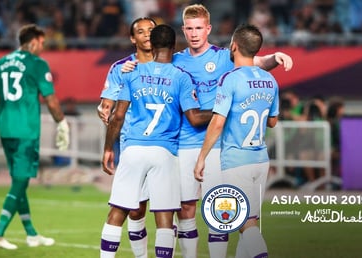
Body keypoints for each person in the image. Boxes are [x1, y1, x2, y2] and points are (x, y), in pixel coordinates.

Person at [122, 4, 292, 258]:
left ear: (208, 29)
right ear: (183, 29)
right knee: (186, 210)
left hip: (216, 148)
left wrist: (275, 57)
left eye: (199, 28)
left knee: (219, 210)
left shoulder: (223, 57)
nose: (194, 33)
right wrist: (130, 67)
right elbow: (150, 69)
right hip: (184, 145)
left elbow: (255, 61)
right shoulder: (176, 60)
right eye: (189, 28)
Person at [100, 24, 212, 258]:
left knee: (118, 212)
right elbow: (194, 118)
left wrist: (109, 148)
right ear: (174, 47)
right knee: (164, 217)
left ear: (153, 43)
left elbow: (117, 116)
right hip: (164, 152)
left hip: (133, 148)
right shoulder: (181, 77)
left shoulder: (132, 72)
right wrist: (221, 110)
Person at [0, 24, 70, 250]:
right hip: (26, 131)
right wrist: (62, 123)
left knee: (19, 182)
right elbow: (51, 99)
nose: (43, 48)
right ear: (34, 41)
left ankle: (31, 234)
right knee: (20, 182)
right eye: (42, 43)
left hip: (6, 130)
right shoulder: (37, 64)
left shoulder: (0, 63)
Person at [194, 24, 279, 258]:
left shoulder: (229, 79)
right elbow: (272, 121)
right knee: (250, 222)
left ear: (234, 46)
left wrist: (201, 158)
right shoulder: (270, 79)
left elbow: (217, 122)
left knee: (244, 223)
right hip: (261, 160)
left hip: (236, 159)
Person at [97, 17, 157, 258]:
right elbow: (107, 106)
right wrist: (102, 109)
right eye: (140, 32)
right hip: (134, 145)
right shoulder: (121, 68)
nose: (146, 35)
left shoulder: (173, 64)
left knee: (171, 213)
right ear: (133, 39)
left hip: (169, 147)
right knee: (133, 210)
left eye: (151, 30)